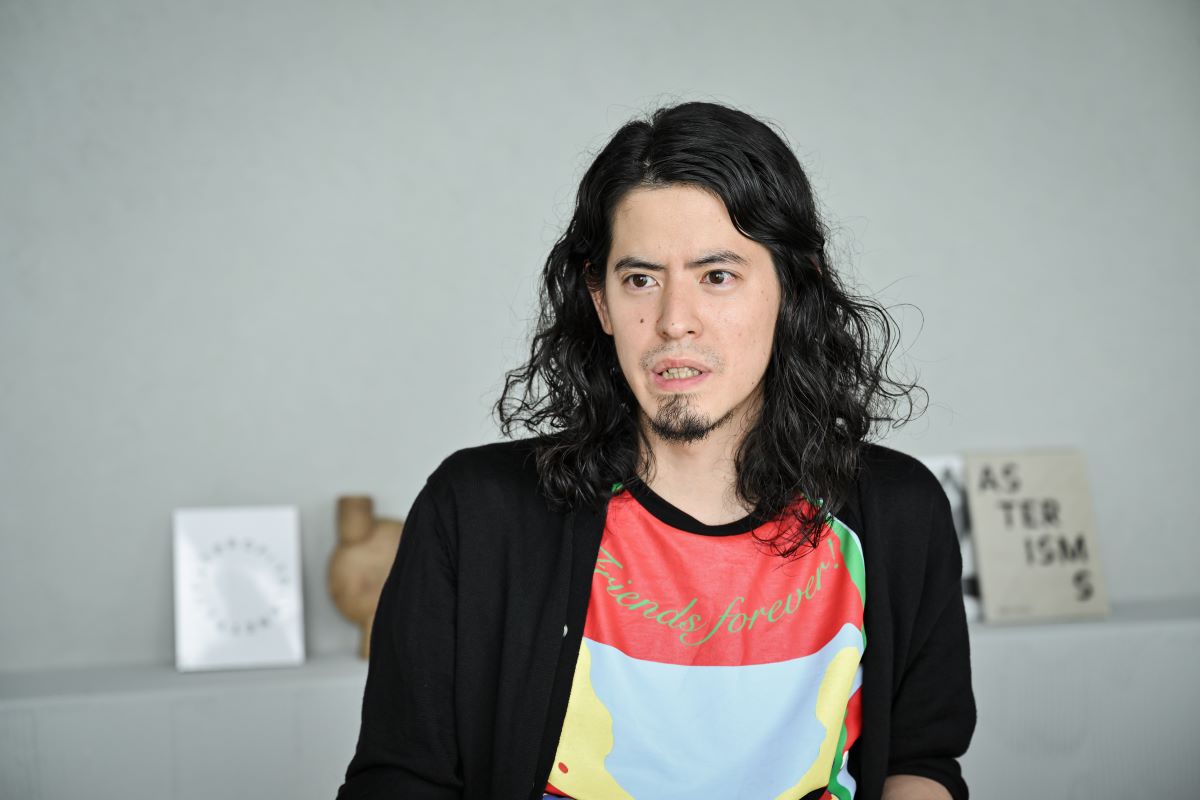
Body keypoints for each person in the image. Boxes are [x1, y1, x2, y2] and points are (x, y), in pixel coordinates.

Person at [337, 101, 975, 800]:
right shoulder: (477, 512)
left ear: (794, 287)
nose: (674, 322)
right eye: (640, 279)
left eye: (717, 275)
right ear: (601, 302)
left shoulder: (897, 514)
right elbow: (402, 776)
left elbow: (921, 760)